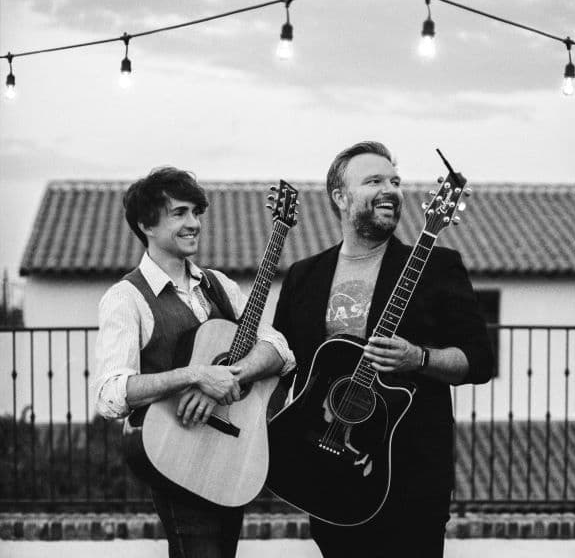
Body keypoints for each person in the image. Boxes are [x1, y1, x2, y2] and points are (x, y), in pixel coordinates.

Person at [273, 141, 493, 558]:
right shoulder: (305, 275)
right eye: (374, 180)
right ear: (340, 197)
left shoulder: (437, 266)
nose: (390, 189)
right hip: (325, 463)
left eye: (395, 181)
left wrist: (419, 358)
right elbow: (283, 361)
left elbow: (479, 361)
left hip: (410, 474)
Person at [93, 167, 295, 558]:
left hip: (230, 455)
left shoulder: (221, 285)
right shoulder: (125, 298)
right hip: (174, 456)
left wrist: (231, 374)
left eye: (197, 213)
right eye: (180, 213)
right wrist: (197, 375)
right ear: (145, 224)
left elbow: (279, 349)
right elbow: (110, 394)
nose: (194, 223)